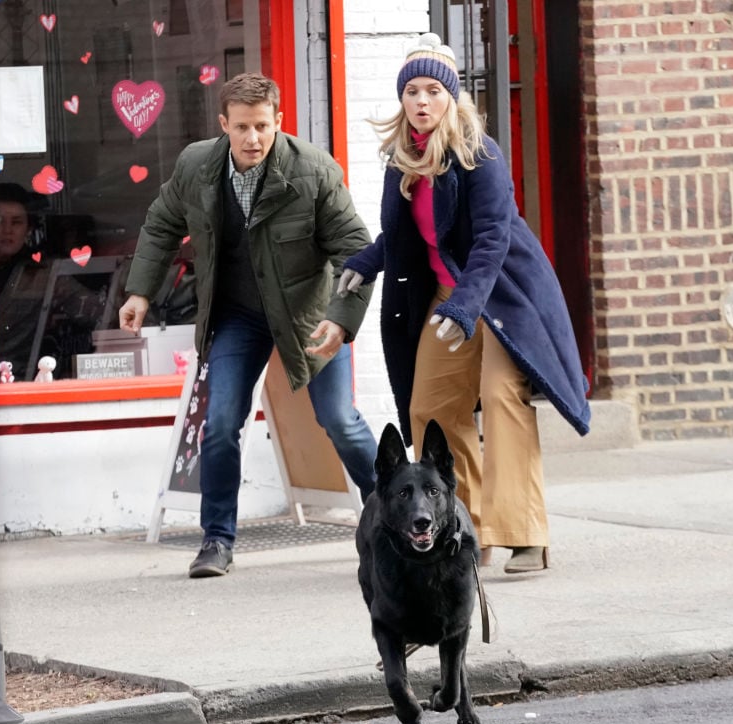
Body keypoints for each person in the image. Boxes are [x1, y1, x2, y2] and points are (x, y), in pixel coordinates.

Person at [338, 34, 590, 574]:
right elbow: (410, 235)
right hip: (447, 295)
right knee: (429, 407)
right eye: (412, 91)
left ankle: (524, 533)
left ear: (452, 97)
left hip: (500, 293)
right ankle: (465, 526)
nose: (421, 101)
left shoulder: (480, 153)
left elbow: (493, 237)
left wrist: (466, 305)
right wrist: (367, 260)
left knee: (501, 397)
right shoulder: (403, 159)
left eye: (433, 90)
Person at [119, 72, 378, 579]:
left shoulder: (314, 171)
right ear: (224, 125)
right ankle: (216, 540)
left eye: (262, 125)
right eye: (241, 127)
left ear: (279, 121)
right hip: (237, 314)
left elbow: (356, 252)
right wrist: (140, 291)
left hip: (309, 312)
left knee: (339, 421)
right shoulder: (197, 166)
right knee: (218, 426)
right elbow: (161, 222)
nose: (253, 138)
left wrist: (341, 321)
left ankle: (388, 516)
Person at [0, 182, 50, 381]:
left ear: (28, 228)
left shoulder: (39, 274)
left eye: (16, 222)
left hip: (20, 380)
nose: (7, 230)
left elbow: (88, 306)